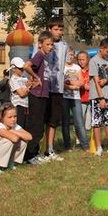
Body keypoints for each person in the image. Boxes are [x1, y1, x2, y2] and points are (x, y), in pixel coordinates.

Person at [37, 17, 68, 160]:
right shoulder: (42, 45)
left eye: (61, 29)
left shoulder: (64, 46)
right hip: (44, 87)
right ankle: (37, 149)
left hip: (58, 87)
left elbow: (65, 66)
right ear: (49, 30)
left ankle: (50, 149)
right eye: (56, 29)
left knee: (53, 120)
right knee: (41, 119)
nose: (58, 32)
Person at [23, 31, 54, 164]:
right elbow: (26, 66)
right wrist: (36, 77)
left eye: (51, 44)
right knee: (35, 127)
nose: (50, 47)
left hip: (43, 95)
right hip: (37, 95)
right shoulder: (39, 56)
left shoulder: (45, 58)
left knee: (39, 126)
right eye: (47, 44)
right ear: (40, 44)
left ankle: (34, 153)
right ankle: (29, 156)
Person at [89, 38, 108, 156]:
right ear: (101, 48)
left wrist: (106, 80)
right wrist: (100, 98)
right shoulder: (93, 61)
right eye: (107, 51)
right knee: (97, 122)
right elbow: (96, 82)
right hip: (97, 97)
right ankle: (99, 147)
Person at [0, 103, 30, 173]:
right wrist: (15, 133)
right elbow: (14, 139)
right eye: (10, 117)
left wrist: (12, 130)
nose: (13, 119)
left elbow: (29, 137)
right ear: (2, 118)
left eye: (15, 116)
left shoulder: (14, 126)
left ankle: (10, 162)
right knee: (9, 140)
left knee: (24, 141)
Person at [62, 48, 89, 151]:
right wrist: (70, 86)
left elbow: (81, 82)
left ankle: (85, 145)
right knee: (65, 122)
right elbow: (61, 83)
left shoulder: (76, 67)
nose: (70, 56)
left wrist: (72, 84)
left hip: (75, 97)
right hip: (64, 97)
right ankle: (67, 145)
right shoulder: (62, 67)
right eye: (68, 54)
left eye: (72, 55)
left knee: (79, 122)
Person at [9, 57, 31, 137]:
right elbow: (21, 94)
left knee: (27, 127)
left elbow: (29, 86)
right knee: (19, 127)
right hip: (18, 106)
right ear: (14, 68)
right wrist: (28, 88)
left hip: (27, 106)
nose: (22, 70)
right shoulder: (13, 79)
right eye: (20, 68)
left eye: (23, 68)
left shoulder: (24, 78)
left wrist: (27, 88)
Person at [77, 51, 92, 132]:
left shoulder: (91, 71)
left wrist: (90, 88)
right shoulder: (76, 70)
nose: (81, 62)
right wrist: (83, 86)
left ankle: (87, 139)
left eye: (83, 60)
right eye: (79, 60)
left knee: (88, 123)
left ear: (87, 60)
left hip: (90, 99)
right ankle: (78, 140)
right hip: (80, 99)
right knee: (79, 119)